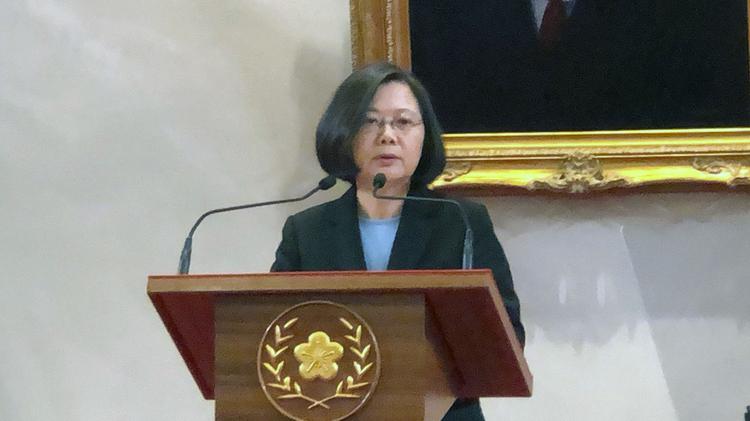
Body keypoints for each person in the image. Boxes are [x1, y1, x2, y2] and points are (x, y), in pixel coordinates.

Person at [271, 62, 525, 421]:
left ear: (425, 136)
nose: (387, 135)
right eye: (369, 122)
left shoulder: (461, 223)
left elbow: (507, 336)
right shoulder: (306, 231)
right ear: (342, 132)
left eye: (403, 122)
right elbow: (274, 335)